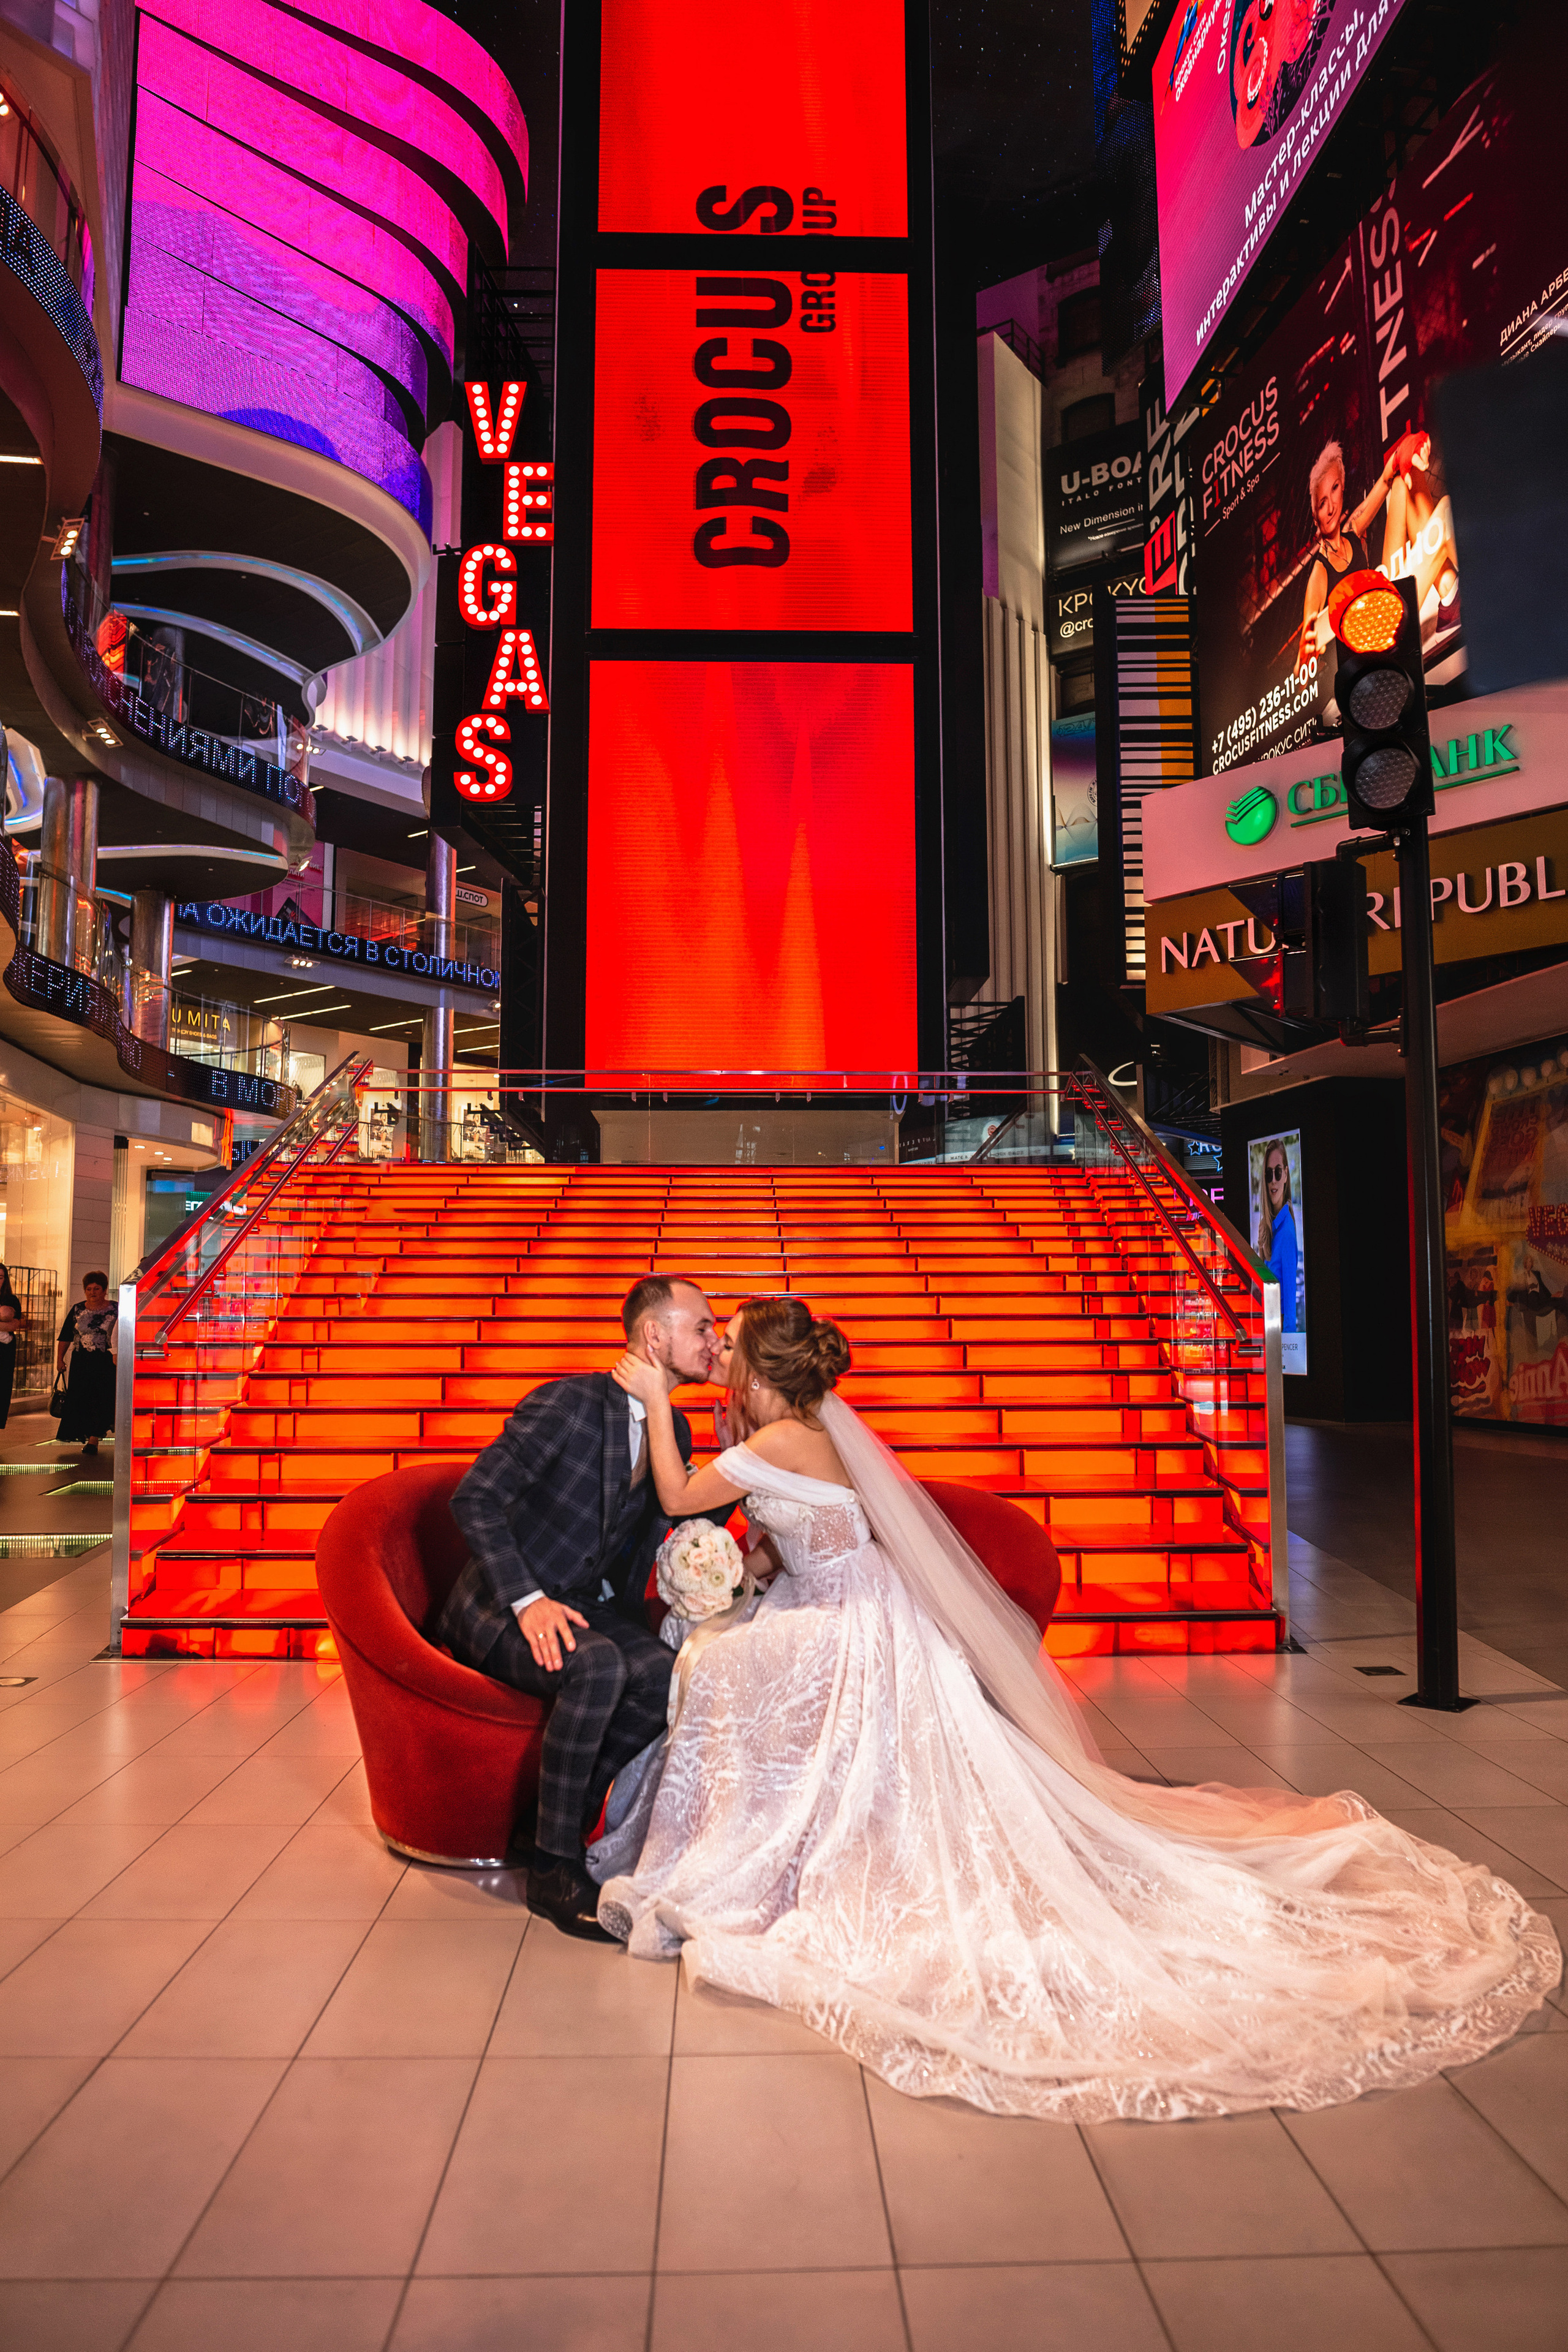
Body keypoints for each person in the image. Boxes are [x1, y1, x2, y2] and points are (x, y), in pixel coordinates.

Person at [593, 1295, 1559, 2123]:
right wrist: (752, 1566)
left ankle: (754, 1842)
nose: (718, 1355)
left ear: (759, 1370)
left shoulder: (769, 1441)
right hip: (868, 1609)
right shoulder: (818, 1433)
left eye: (729, 1346)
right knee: (739, 1658)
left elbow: (677, 1497)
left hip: (840, 1620)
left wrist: (655, 1402)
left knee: (722, 1667)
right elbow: (816, 1527)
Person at [435, 1274, 718, 1939]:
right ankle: (553, 1874)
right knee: (597, 1668)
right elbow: (474, 1498)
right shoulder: (568, 1404)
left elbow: (672, 1518)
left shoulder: (674, 1426)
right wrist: (528, 1601)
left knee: (662, 1674)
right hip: (502, 1601)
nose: (714, 1340)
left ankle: (547, 1828)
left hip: (587, 1603)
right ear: (654, 1336)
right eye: (702, 1326)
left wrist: (741, 1459)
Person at [1295, 438, 1401, 676]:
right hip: (1361, 656)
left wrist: (1401, 456)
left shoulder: (1353, 530)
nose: (1331, 507)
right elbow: (1303, 661)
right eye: (1322, 504)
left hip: (1384, 612)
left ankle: (1448, 596)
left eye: (1334, 488)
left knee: (1400, 485)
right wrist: (1304, 657)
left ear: (1343, 486)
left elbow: (1386, 480)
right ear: (1315, 517)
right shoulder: (1320, 573)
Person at [56, 1271, 116, 1457]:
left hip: (107, 1361)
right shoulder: (77, 1309)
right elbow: (66, 1336)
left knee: (101, 1398)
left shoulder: (115, 1309)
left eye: (97, 1289)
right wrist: (60, 1359)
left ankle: (93, 1439)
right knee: (82, 1397)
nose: (92, 1292)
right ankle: (86, 1434)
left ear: (104, 1290)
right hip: (81, 1361)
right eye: (89, 1289)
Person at [1256, 1142, 1300, 1332]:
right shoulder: (1269, 1228)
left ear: (1286, 1175)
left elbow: (1290, 1304)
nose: (1273, 1180)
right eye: (1269, 1174)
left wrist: (1288, 1343)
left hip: (1279, 1332)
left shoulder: (1287, 1232)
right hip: (1268, 1328)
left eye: (1278, 1172)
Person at [0, 1265, 23, 1430]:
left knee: (3, 1388)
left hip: (4, 1351)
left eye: (1, 1277)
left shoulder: (11, 1300)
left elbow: (14, 1325)